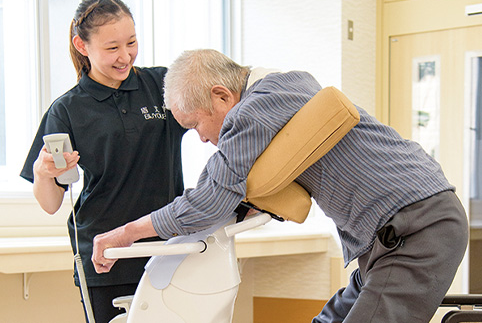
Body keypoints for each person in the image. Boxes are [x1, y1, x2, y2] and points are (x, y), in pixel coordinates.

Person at [91, 49, 468, 323]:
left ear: (221, 96)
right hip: (393, 234)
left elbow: (208, 201)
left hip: (417, 228)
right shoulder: (284, 87)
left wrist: (128, 233)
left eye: (196, 126)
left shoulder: (255, 108)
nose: (203, 139)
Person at [20, 0, 186, 323]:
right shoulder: (67, 109)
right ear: (82, 46)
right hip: (105, 258)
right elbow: (52, 203)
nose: (125, 56)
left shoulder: (162, 85)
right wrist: (43, 172)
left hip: (168, 250)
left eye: (132, 42)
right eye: (112, 48)